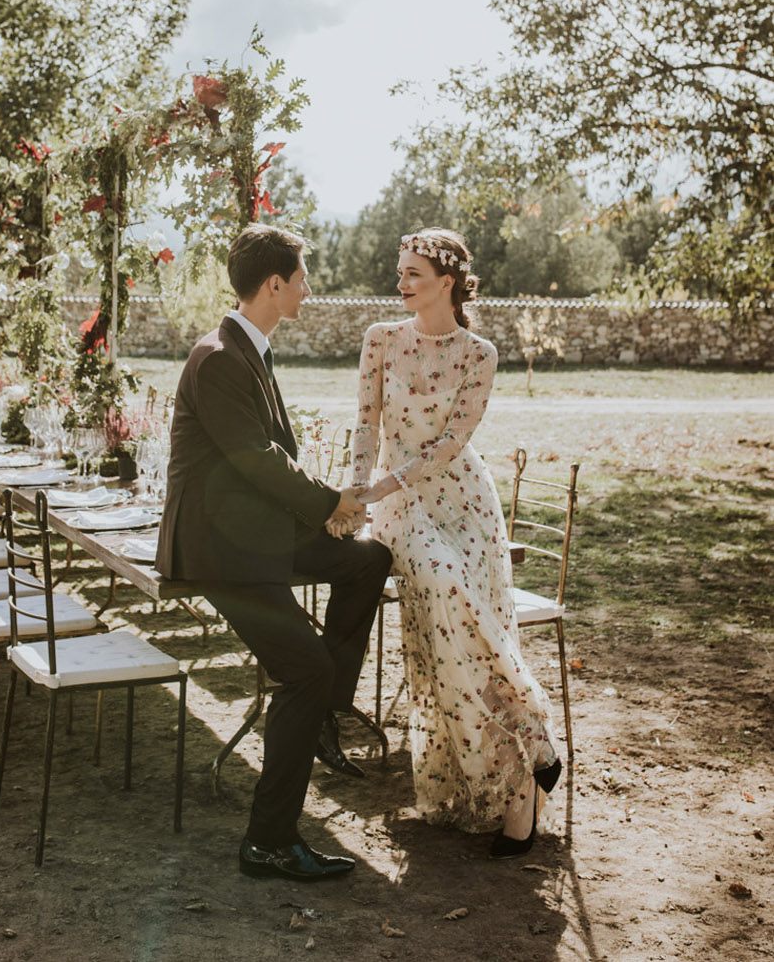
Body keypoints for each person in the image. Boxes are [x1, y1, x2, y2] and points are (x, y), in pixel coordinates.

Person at [155, 224, 392, 882]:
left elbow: (269, 461)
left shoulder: (245, 347)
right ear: (274, 284)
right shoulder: (221, 356)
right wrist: (329, 505)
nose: (310, 289)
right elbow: (255, 461)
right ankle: (268, 841)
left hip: (252, 531)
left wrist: (328, 523)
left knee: (367, 560)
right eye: (304, 277)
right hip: (219, 550)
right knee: (304, 672)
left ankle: (323, 717)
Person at [350, 228, 561, 857]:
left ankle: (521, 789)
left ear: (447, 281)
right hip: (400, 509)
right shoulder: (380, 340)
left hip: (464, 503)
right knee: (449, 603)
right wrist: (356, 495)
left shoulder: (480, 353)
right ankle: (533, 745)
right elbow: (365, 424)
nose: (402, 282)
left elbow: (449, 447)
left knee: (468, 628)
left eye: (413, 272)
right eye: (400, 271)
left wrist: (382, 484)